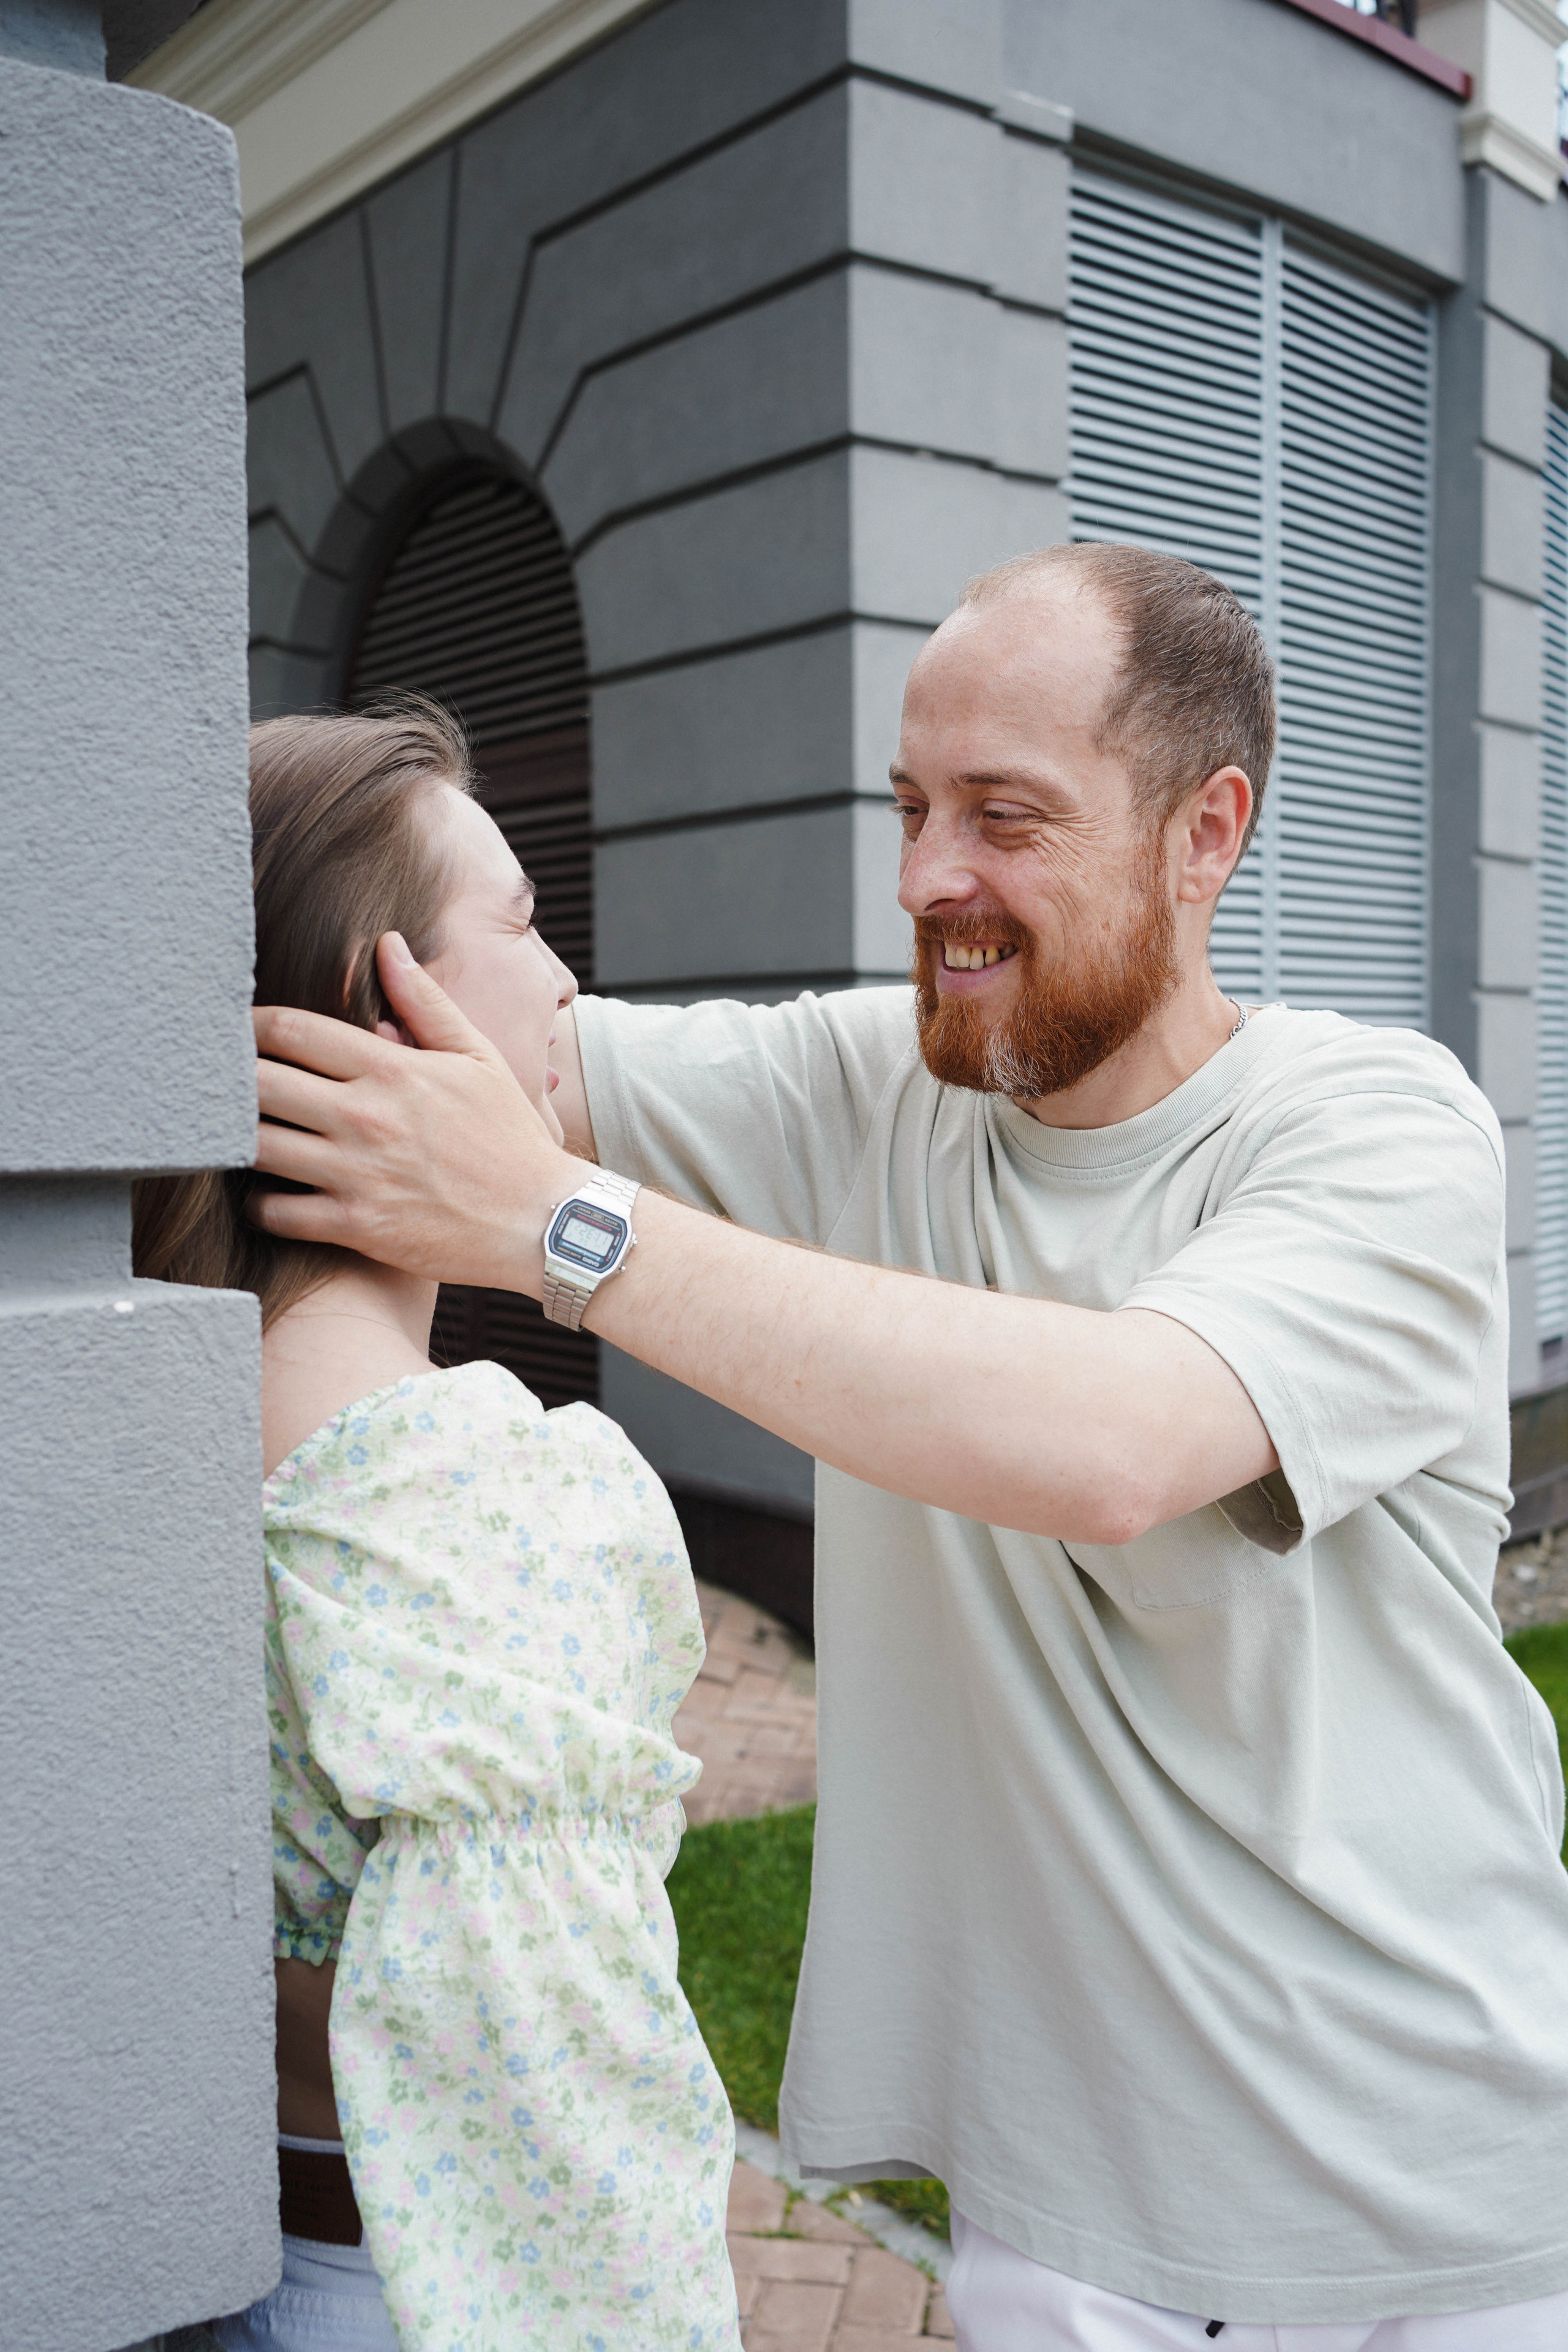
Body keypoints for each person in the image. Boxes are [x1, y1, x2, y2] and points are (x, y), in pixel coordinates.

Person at [248, 548, 1568, 2351]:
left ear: (1208, 833)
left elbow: (1117, 1439)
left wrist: (560, 1222)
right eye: (914, 805)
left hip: (1425, 2204)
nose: (929, 878)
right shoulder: (875, 1085)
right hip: (1067, 2216)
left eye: (1006, 817)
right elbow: (465, 1045)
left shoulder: (1378, 1129)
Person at [136, 703, 740, 2352]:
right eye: (527, 927)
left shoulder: (125, 1443)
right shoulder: (478, 1495)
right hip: (428, 2294)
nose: (568, 991)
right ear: (371, 1006)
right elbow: (571, 2092)